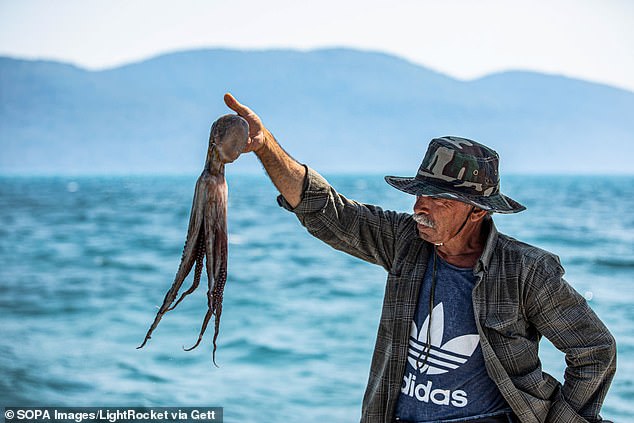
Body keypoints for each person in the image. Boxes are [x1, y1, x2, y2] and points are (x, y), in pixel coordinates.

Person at [223, 93, 616, 423]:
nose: (419, 208)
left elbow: (594, 350)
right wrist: (266, 146)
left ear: (477, 211)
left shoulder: (525, 271)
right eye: (418, 194)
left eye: (438, 200)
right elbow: (329, 212)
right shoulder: (404, 242)